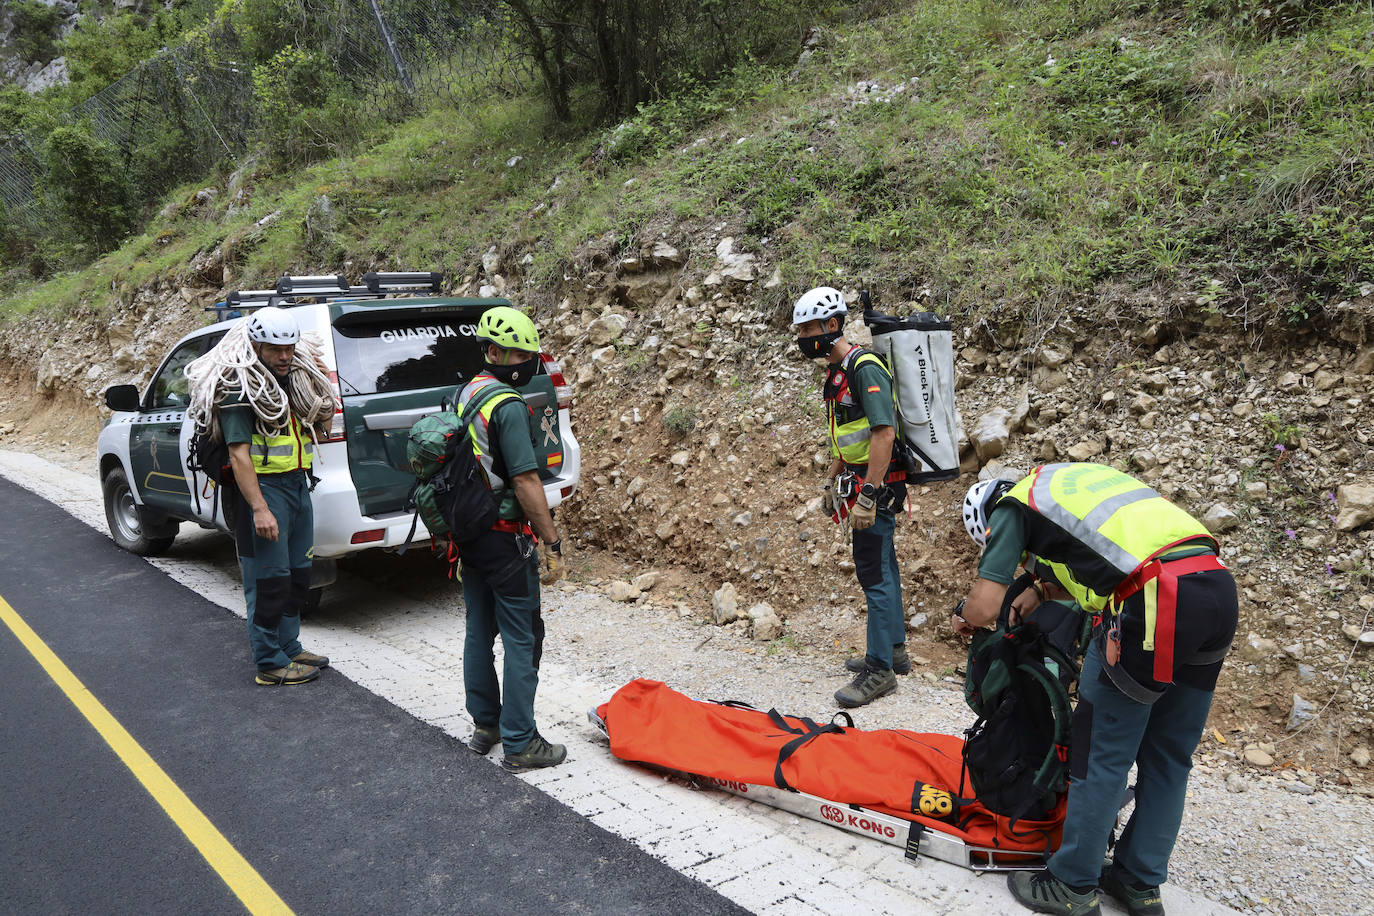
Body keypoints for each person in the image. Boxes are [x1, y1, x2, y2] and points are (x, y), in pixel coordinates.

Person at [953, 463, 1238, 916]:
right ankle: (1139, 882)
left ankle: (1072, 884)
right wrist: (1043, 591)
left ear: (990, 522)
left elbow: (985, 607)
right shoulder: (1063, 485)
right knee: (1168, 757)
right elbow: (1099, 563)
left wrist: (965, 615)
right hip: (1215, 588)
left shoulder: (1010, 508)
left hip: (1154, 601)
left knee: (1100, 755)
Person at [457, 305, 568, 770]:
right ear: (496, 351)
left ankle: (488, 725)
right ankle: (522, 742)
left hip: (470, 534)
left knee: (478, 631)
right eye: (521, 354)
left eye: (531, 353)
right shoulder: (507, 406)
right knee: (523, 637)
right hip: (505, 536)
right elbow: (525, 482)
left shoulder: (469, 391)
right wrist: (551, 540)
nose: (529, 362)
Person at [792, 286, 909, 708]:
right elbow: (850, 438)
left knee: (873, 574)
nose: (803, 337)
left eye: (808, 328)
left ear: (833, 324)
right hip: (861, 478)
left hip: (874, 485)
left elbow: (883, 432)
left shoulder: (863, 367)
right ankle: (894, 651)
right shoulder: (838, 371)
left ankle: (879, 671)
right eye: (800, 330)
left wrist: (868, 495)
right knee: (884, 565)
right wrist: (832, 479)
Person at [219, 307, 332, 686]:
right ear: (256, 345)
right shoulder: (240, 388)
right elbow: (238, 454)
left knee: (298, 575)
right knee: (268, 581)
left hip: (298, 484)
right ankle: (269, 662)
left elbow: (322, 423)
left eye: (288, 348)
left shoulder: (295, 377)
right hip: (265, 492)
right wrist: (259, 508)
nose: (284, 356)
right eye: (274, 349)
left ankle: (290, 646)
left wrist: (322, 390)